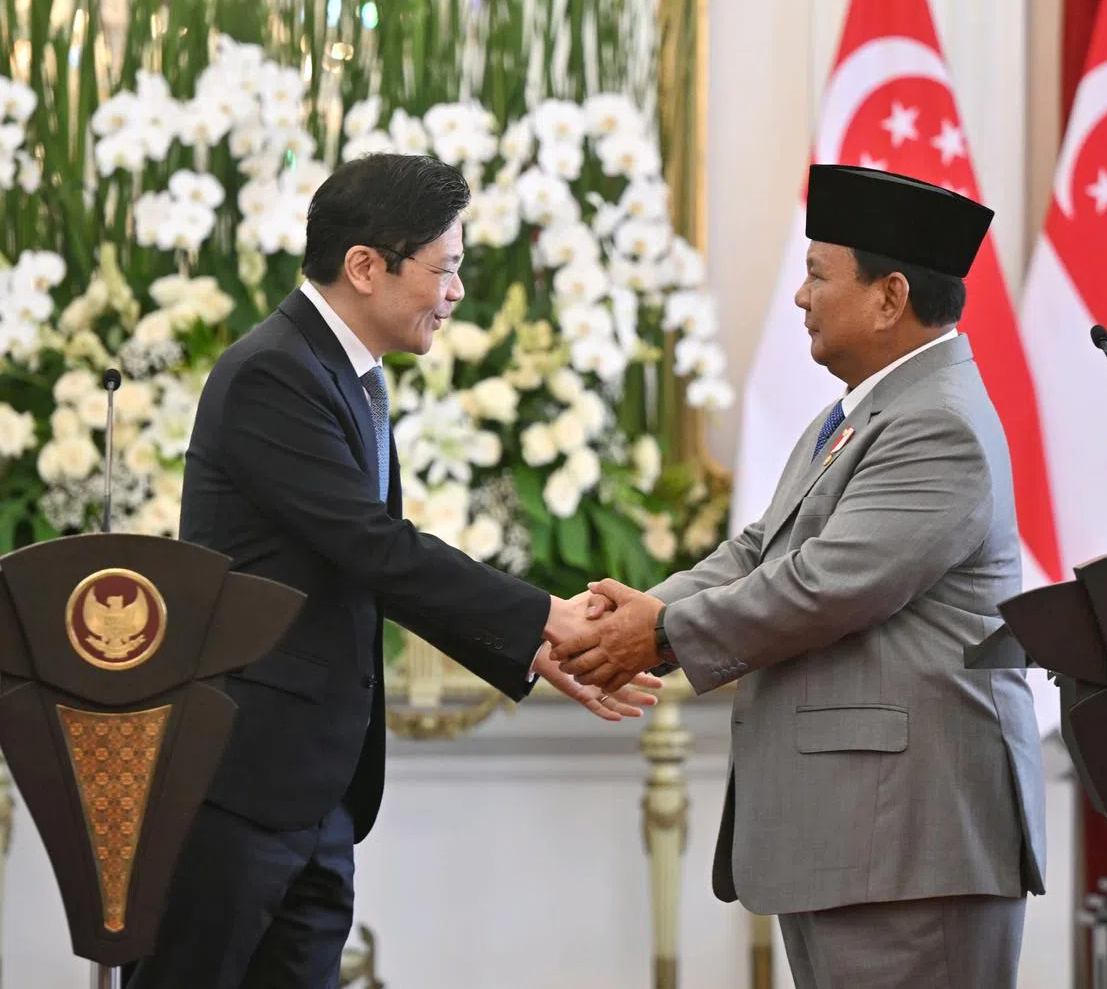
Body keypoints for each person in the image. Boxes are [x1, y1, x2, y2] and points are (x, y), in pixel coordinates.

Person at [128, 153, 656, 989]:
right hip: (240, 784)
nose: (456, 293)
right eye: (444, 270)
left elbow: (369, 557)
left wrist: (528, 648)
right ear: (366, 267)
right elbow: (374, 546)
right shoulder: (274, 373)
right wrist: (545, 616)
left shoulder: (346, 374)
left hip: (318, 794)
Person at [553, 165, 1047, 989]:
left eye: (818, 276)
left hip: (913, 847)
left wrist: (661, 634)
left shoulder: (938, 423)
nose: (800, 298)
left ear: (890, 298)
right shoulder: (857, 412)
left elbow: (829, 586)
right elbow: (759, 551)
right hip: (860, 840)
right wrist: (646, 609)